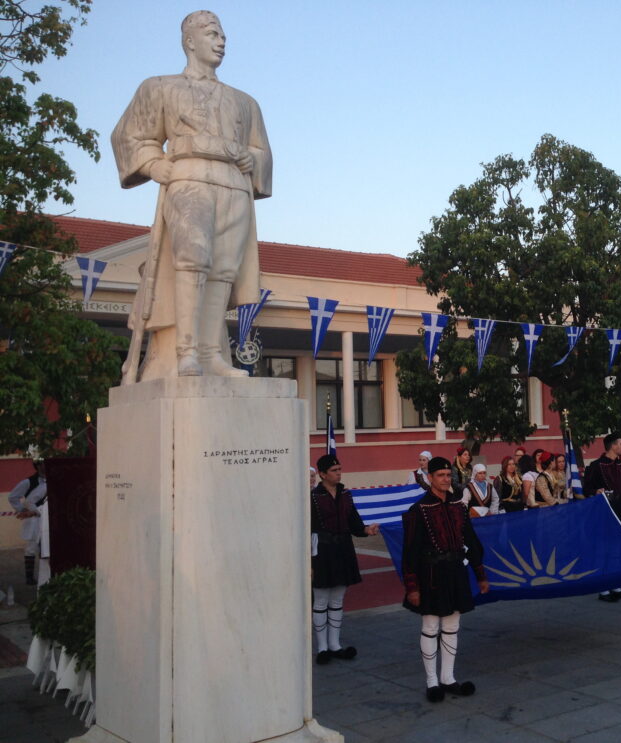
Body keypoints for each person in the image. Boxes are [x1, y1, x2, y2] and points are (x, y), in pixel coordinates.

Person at [112, 11, 273, 382]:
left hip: (233, 183)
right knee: (192, 258)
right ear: (190, 41)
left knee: (224, 270)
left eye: (223, 37)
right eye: (213, 34)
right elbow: (130, 136)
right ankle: (185, 352)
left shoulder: (244, 102)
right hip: (189, 176)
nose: (221, 42)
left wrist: (254, 159)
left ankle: (212, 353)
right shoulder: (160, 87)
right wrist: (153, 165)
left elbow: (261, 151)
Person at [401, 456, 489, 702]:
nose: (445, 479)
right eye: (440, 475)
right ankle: (431, 682)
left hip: (455, 572)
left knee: (451, 626)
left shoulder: (458, 507)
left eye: (448, 475)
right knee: (430, 627)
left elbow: (471, 542)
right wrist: (412, 587)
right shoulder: (418, 510)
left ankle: (448, 678)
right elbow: (409, 552)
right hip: (430, 574)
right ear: (430, 478)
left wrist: (480, 574)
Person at [310, 454, 379, 665]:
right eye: (334, 470)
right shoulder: (313, 497)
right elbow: (306, 529)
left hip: (343, 549)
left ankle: (335, 644)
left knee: (338, 598)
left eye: (340, 469)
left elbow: (354, 523)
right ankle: (322, 647)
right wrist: (308, 561)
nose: (339, 473)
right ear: (322, 474)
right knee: (321, 598)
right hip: (321, 550)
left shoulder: (346, 494)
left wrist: (367, 530)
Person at [583, 432, 621, 602]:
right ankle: (603, 588)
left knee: (617, 548)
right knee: (604, 548)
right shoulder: (597, 466)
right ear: (613, 446)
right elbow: (586, 488)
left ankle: (616, 584)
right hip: (604, 512)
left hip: (620, 511)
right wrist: (595, 491)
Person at [8, 460, 47, 586]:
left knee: (46, 547)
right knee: (31, 548)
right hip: (33, 519)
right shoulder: (28, 482)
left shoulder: (53, 480)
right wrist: (21, 510)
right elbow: (13, 497)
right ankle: (29, 578)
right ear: (38, 465)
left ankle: (45, 575)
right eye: (43, 463)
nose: (46, 466)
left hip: (46, 517)